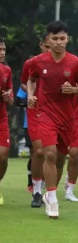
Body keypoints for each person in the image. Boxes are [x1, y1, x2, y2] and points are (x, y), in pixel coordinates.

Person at [27, 21, 78, 218]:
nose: (59, 42)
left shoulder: (76, 63)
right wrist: (30, 95)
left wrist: (74, 90)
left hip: (68, 118)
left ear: (68, 39)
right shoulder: (38, 61)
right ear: (47, 40)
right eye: (55, 39)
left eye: (62, 38)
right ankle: (52, 198)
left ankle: (49, 191)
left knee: (60, 158)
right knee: (50, 154)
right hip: (45, 114)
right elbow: (31, 79)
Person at [20, 37, 51, 207]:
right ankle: (37, 190)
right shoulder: (31, 63)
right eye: (46, 45)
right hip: (35, 111)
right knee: (38, 152)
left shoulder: (69, 62)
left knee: (56, 154)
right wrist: (32, 94)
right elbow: (25, 83)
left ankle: (51, 190)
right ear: (41, 45)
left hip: (56, 112)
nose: (49, 48)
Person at [0, 37, 14, 205]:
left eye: (3, 50)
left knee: (3, 156)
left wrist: (6, 96)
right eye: (0, 50)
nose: (2, 53)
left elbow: (11, 100)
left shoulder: (7, 70)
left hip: (1, 119)